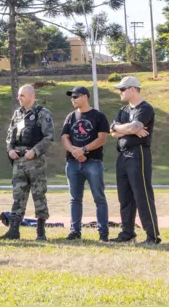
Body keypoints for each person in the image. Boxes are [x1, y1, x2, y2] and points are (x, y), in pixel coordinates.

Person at [110, 76, 161, 245]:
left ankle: (152, 235)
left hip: (138, 154)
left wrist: (125, 129)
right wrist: (126, 130)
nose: (120, 93)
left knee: (142, 195)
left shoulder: (145, 108)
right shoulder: (123, 110)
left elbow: (134, 127)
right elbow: (113, 132)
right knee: (125, 196)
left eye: (122, 89)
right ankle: (128, 232)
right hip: (123, 154)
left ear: (132, 89)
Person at [1, 84, 56, 241]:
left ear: (31, 96)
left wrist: (35, 151)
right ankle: (14, 230)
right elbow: (9, 136)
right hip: (18, 161)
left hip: (35, 161)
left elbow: (49, 137)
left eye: (22, 95)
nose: (19, 98)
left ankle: (40, 232)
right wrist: (10, 149)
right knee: (18, 195)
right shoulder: (17, 114)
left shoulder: (42, 113)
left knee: (39, 195)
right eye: (19, 95)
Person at [61, 86, 110, 241]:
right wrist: (75, 152)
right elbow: (64, 138)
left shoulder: (98, 116)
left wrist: (83, 149)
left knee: (99, 197)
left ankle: (103, 233)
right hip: (73, 163)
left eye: (75, 96)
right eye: (71, 97)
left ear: (85, 97)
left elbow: (102, 138)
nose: (72, 100)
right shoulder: (70, 117)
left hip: (93, 162)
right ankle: (75, 231)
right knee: (75, 199)